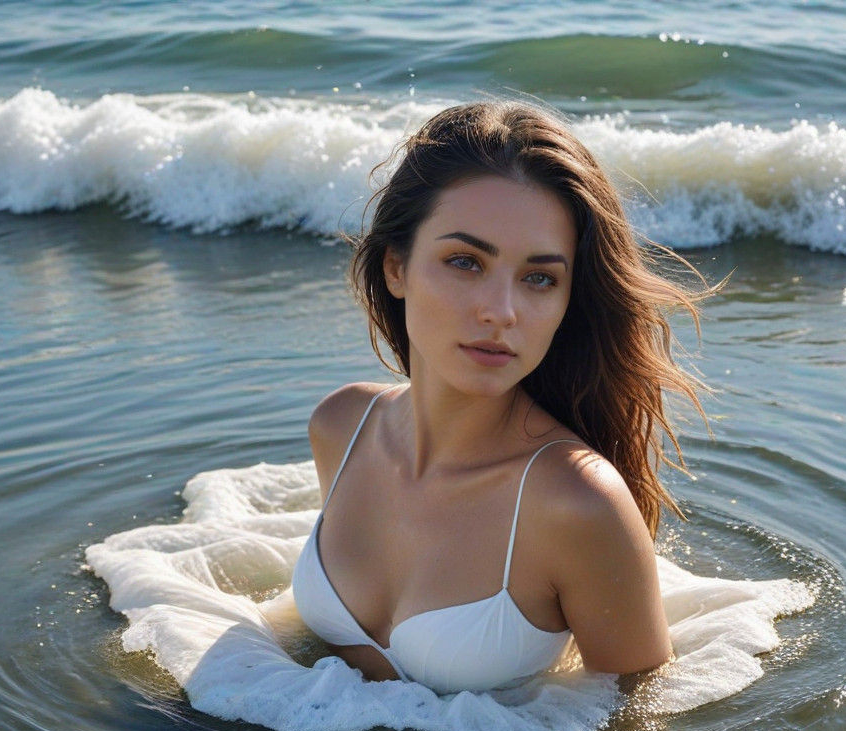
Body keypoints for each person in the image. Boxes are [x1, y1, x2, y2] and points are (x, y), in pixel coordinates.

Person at [291, 101, 708, 695]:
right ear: (396, 268)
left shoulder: (576, 504)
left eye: (540, 278)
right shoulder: (341, 425)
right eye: (465, 262)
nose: (501, 312)